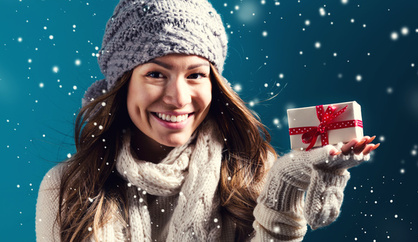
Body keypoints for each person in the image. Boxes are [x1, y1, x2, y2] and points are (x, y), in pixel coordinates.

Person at [35, 0, 379, 241]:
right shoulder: (66, 187)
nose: (179, 98)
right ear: (123, 83)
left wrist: (285, 186)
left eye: (196, 75)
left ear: (215, 84)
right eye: (156, 74)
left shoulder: (251, 171)